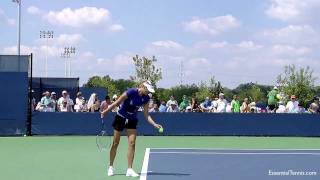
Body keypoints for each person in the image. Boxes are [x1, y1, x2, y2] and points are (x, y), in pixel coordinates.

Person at [100, 81, 162, 177]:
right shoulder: (131, 92)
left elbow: (146, 114)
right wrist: (106, 111)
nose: (148, 92)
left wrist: (154, 124)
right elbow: (117, 102)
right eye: (147, 90)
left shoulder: (146, 98)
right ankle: (111, 166)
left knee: (132, 143)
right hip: (120, 117)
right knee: (115, 143)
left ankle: (129, 169)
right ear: (143, 87)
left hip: (132, 119)